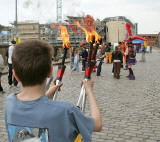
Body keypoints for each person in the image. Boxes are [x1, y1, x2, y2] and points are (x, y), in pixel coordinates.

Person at [5, 40, 102, 142]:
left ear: (15, 75)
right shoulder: (66, 110)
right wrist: (89, 91)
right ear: (50, 71)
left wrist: (49, 93)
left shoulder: (10, 102)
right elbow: (97, 124)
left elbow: (33, 107)